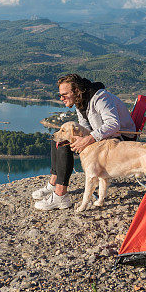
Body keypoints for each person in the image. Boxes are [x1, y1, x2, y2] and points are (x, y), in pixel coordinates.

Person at [33, 73, 136, 210]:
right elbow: (85, 126)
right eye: (60, 95)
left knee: (64, 145)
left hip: (119, 139)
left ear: (76, 91)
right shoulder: (80, 102)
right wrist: (81, 137)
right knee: (59, 140)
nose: (61, 98)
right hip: (102, 137)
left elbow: (113, 124)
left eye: (64, 94)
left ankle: (60, 195)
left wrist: (89, 138)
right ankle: (53, 183)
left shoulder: (100, 98)